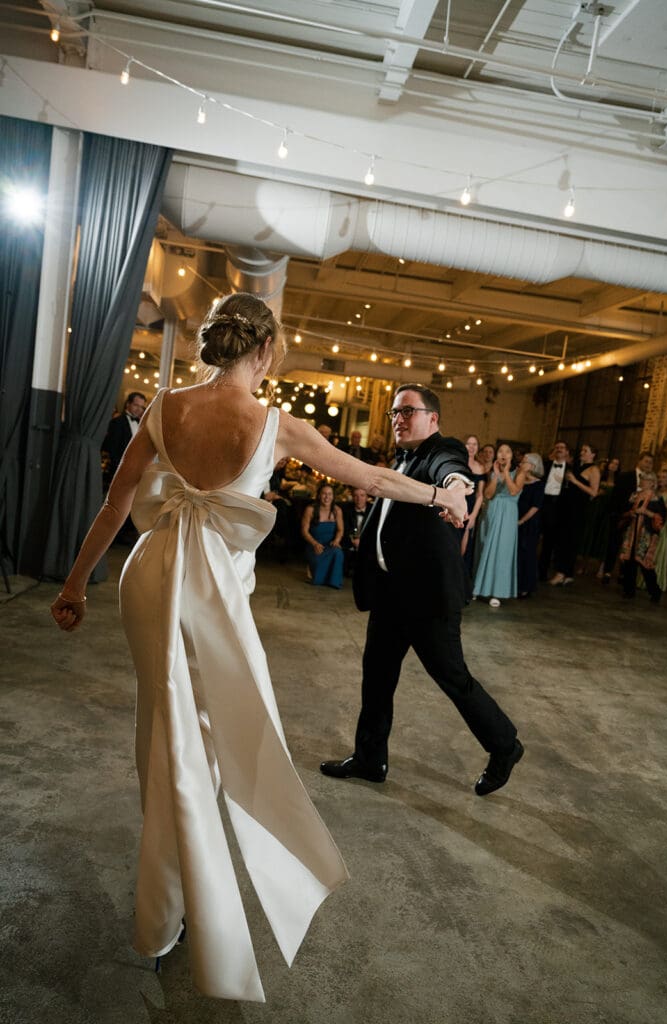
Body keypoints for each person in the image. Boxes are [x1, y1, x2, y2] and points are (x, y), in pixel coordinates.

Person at [50, 294, 467, 1002]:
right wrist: (442, 499)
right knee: (200, 745)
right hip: (206, 591)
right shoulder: (278, 425)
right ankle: (169, 910)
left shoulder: (160, 406)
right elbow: (369, 478)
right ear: (265, 350)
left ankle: (169, 895)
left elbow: (117, 501)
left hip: (146, 577)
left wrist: (73, 585)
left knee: (167, 731)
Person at [319, 384, 523, 797]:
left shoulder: (439, 451)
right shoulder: (400, 460)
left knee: (452, 678)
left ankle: (505, 746)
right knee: (376, 677)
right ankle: (370, 759)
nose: (398, 419)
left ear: (433, 418)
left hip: (428, 598)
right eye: (394, 413)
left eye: (407, 411)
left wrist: (453, 489)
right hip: (392, 595)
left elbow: (452, 471)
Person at [472, 444, 524, 607]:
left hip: (508, 514)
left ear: (511, 456)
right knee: (484, 547)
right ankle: (478, 588)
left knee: (502, 551)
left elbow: (514, 490)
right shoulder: (491, 471)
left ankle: (497, 592)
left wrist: (506, 472)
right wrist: (495, 475)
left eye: (507, 451)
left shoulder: (520, 472)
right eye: (500, 451)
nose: (503, 454)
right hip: (491, 512)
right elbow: (488, 494)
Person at [548, 443, 600, 586]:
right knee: (561, 539)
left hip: (577, 510)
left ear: (593, 455)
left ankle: (561, 572)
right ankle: (567, 573)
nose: (582, 452)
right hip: (566, 507)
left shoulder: (594, 469)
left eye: (585, 450)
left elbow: (593, 492)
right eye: (582, 450)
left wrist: (576, 482)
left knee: (568, 541)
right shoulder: (576, 466)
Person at [601, 451, 654, 586]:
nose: (649, 464)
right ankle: (607, 571)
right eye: (646, 461)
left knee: (631, 547)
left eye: (651, 462)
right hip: (621, 516)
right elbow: (616, 498)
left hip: (638, 520)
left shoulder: (652, 481)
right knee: (614, 543)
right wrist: (623, 513)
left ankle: (623, 574)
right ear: (639, 461)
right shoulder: (625, 476)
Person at [619, 471, 666, 603]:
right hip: (632, 532)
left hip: (646, 534)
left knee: (644, 563)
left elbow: (661, 518)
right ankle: (629, 590)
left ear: (651, 483)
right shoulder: (635, 495)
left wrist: (646, 512)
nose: (642, 481)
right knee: (629, 561)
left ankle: (655, 592)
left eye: (645, 479)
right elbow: (625, 511)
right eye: (642, 479)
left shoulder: (657, 498)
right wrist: (631, 513)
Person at [301, 481, 345, 588]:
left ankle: (333, 582)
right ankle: (316, 573)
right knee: (317, 570)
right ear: (319, 495)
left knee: (338, 553)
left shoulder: (337, 510)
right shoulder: (310, 510)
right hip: (315, 545)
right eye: (324, 494)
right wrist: (314, 544)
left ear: (333, 496)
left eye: (330, 494)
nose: (327, 497)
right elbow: (304, 531)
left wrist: (336, 541)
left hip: (330, 545)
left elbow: (340, 530)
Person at [538, 440, 571, 582]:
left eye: (562, 448)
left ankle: (542, 572)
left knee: (549, 542)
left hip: (558, 506)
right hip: (543, 503)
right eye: (557, 447)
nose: (559, 450)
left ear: (567, 452)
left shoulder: (571, 469)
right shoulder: (546, 465)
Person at [101, 391, 147, 484]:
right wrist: (122, 469)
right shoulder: (117, 422)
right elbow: (113, 450)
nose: (139, 409)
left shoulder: (142, 425)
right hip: (119, 471)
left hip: (136, 472)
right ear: (128, 404)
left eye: (141, 407)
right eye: (136, 405)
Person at [517, 452, 545, 597]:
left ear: (532, 466)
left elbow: (535, 506)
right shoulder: (519, 481)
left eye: (524, 462)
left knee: (527, 553)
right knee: (517, 554)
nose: (521, 464)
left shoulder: (539, 484)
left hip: (529, 523)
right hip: (516, 521)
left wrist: (522, 520)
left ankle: (526, 586)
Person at [460, 434, 486, 578]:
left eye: (474, 444)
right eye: (468, 443)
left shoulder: (480, 468)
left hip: (470, 509)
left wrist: (473, 516)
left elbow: (480, 495)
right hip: (456, 505)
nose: (471, 447)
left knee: (464, 548)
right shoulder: (458, 462)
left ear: (478, 448)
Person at [342, 486, 372, 576]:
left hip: (366, 542)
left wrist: (362, 541)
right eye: (356, 496)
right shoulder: (346, 510)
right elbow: (345, 528)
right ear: (352, 497)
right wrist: (353, 540)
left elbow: (372, 530)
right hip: (349, 542)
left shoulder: (373, 510)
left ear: (367, 497)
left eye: (362, 496)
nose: (359, 499)